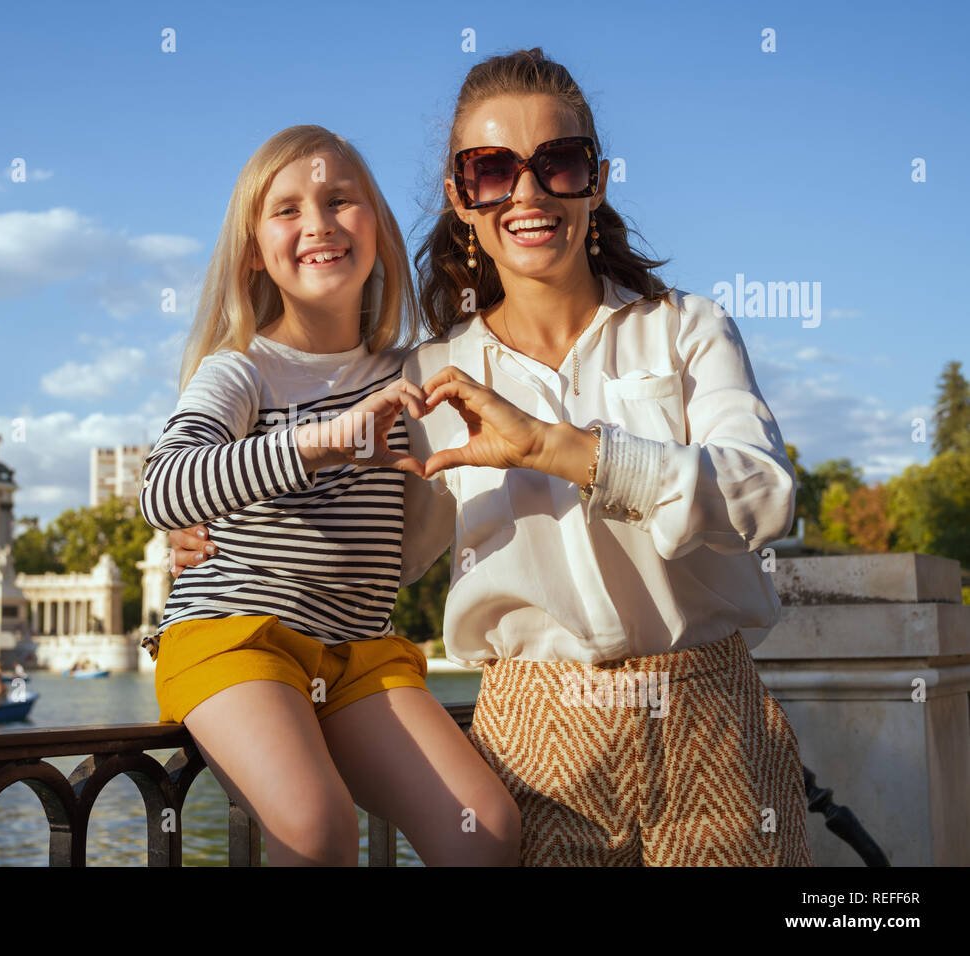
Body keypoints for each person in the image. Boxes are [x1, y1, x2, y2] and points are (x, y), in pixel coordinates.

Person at [171, 50, 813, 867]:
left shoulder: (686, 328)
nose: (528, 193)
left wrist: (559, 448)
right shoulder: (422, 380)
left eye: (559, 163)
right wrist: (207, 533)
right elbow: (380, 553)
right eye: (491, 170)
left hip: (712, 722)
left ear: (598, 179)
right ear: (460, 198)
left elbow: (764, 497)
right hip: (535, 744)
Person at [139, 125, 520, 867]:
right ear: (254, 251)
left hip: (359, 651)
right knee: (316, 829)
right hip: (235, 635)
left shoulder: (414, 371)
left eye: (340, 200)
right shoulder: (240, 368)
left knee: (486, 829)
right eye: (287, 210)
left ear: (374, 224)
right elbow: (164, 488)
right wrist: (325, 440)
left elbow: (412, 546)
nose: (317, 222)